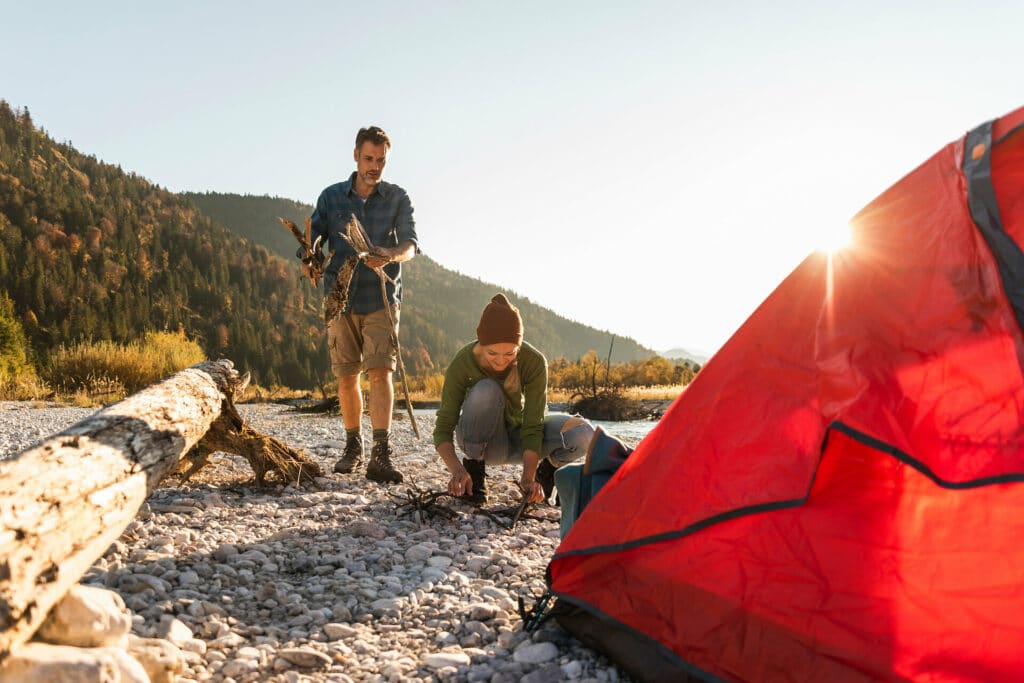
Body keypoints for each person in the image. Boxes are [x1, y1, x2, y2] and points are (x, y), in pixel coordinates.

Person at [308, 125, 418, 484]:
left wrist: (388, 254)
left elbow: (411, 245)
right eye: (369, 159)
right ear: (356, 155)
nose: (375, 166)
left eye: (381, 160)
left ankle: (380, 453)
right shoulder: (331, 197)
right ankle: (353, 445)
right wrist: (308, 256)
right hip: (339, 298)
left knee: (380, 371)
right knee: (346, 376)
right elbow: (314, 234)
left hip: (381, 298)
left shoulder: (397, 197)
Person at [433, 293, 595, 504]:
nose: (501, 361)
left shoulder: (534, 361)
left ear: (519, 346)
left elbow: (534, 424)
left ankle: (545, 473)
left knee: (585, 433)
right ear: (481, 344)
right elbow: (443, 427)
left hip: (520, 439)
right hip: (485, 445)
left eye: (510, 354)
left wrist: (528, 477)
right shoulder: (462, 363)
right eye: (492, 353)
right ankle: (475, 472)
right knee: (486, 389)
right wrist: (457, 471)